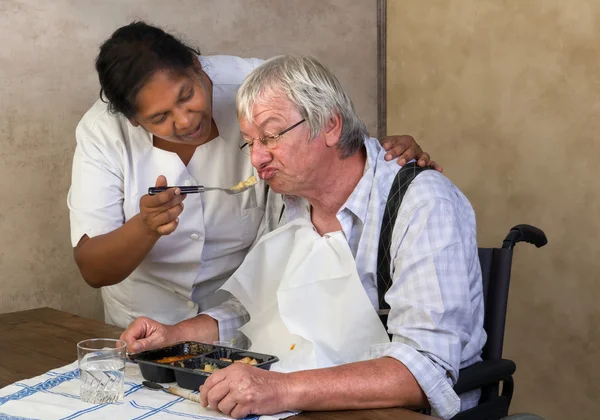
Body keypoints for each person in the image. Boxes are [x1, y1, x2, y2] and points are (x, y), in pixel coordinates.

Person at [121, 56, 486, 420]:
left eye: (271, 136)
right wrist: (177, 337)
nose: (258, 159)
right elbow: (259, 307)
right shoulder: (286, 200)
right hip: (306, 402)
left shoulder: (422, 204)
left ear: (329, 125)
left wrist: (280, 389)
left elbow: (424, 369)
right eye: (251, 143)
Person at [68, 22, 439, 328]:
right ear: (133, 121)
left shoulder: (260, 87)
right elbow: (93, 267)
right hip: (146, 321)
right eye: (159, 118)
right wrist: (145, 227)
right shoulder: (103, 133)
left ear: (198, 66)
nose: (185, 120)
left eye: (186, 96)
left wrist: (391, 159)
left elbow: (336, 145)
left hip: (244, 317)